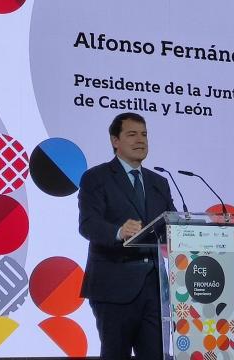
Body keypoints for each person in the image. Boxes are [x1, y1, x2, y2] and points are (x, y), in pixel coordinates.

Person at [78, 112, 176, 359]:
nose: (140, 140)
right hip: (113, 287)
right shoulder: (96, 178)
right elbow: (88, 225)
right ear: (115, 141)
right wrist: (119, 231)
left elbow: (172, 225)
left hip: (154, 290)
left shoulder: (159, 182)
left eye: (144, 134)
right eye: (132, 134)